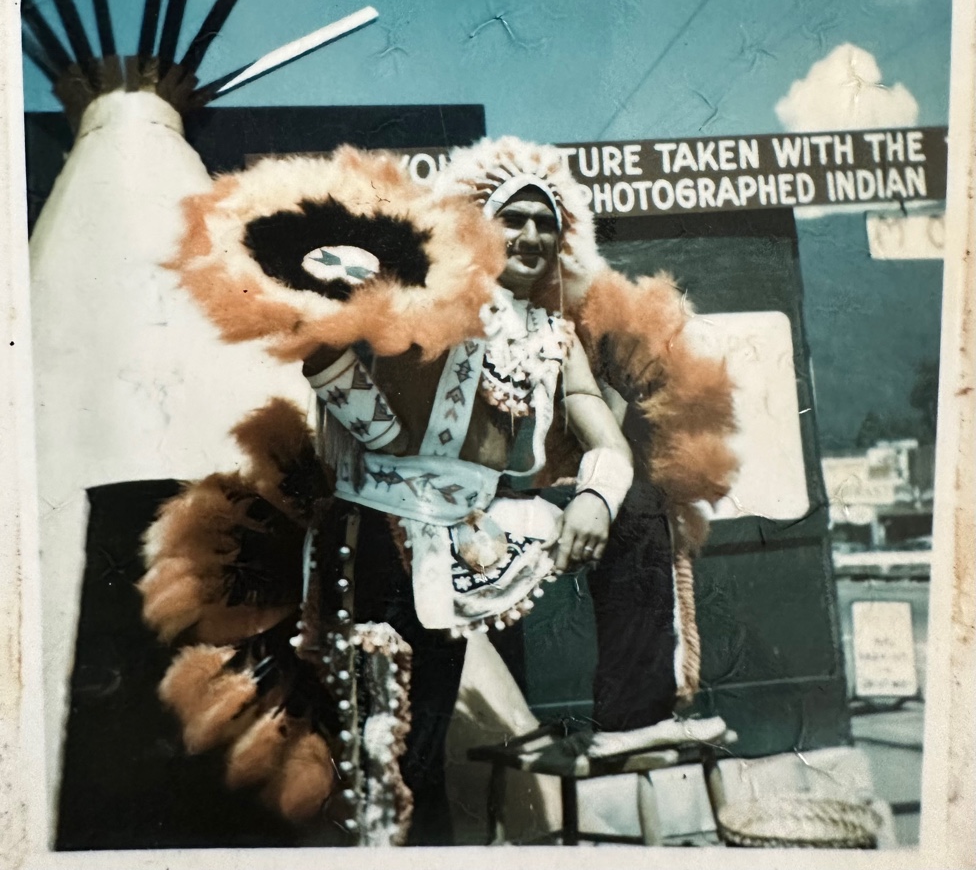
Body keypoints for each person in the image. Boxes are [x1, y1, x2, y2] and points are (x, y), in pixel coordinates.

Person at [140, 137, 738, 846]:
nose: (532, 235)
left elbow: (607, 443)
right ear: (477, 226)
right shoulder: (424, 299)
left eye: (546, 223)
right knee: (401, 743)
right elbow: (370, 417)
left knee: (639, 511)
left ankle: (633, 717)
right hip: (391, 524)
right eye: (514, 218)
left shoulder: (556, 337)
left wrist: (592, 499)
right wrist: (330, 355)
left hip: (489, 517)